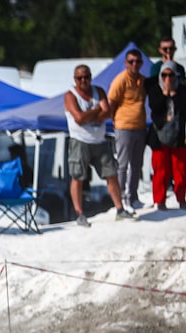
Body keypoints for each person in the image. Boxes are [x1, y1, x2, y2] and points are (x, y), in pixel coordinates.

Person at [64, 65, 132, 227]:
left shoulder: (98, 91)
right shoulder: (70, 96)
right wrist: (96, 112)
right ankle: (79, 213)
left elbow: (107, 112)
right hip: (79, 140)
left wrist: (91, 115)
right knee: (78, 177)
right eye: (80, 78)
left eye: (86, 77)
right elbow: (79, 118)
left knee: (111, 174)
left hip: (99, 141)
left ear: (90, 77)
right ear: (75, 79)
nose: (83, 81)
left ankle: (120, 209)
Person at [108, 49, 148, 210]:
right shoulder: (120, 80)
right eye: (131, 61)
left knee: (137, 164)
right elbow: (111, 102)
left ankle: (133, 196)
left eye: (137, 61)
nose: (134, 64)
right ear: (125, 63)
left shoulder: (143, 80)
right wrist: (115, 122)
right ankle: (122, 198)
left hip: (140, 126)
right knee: (123, 165)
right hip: (124, 127)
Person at [145, 61, 186, 211]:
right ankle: (160, 201)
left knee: (180, 170)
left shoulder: (182, 90)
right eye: (164, 75)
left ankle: (181, 198)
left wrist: (174, 94)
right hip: (159, 135)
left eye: (171, 75)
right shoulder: (155, 89)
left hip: (178, 137)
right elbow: (155, 107)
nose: (167, 78)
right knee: (161, 169)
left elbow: (183, 107)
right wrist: (165, 93)